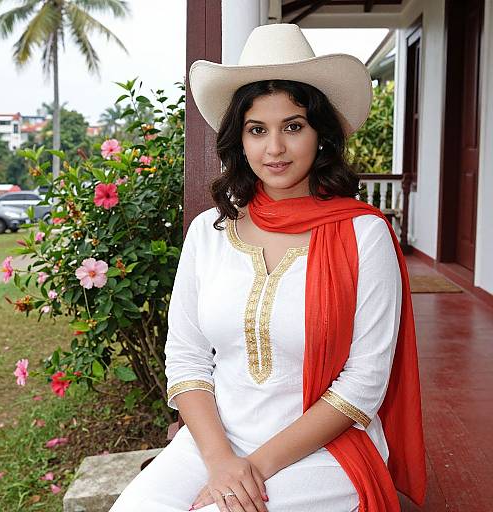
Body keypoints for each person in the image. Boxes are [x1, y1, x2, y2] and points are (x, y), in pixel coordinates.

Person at [109, 23, 426, 512]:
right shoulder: (209, 234)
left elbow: (364, 382)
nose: (274, 149)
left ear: (321, 134)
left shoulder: (364, 235)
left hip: (320, 448)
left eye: (293, 126)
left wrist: (250, 471)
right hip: (214, 442)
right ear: (241, 139)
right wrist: (221, 462)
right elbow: (188, 357)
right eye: (258, 130)